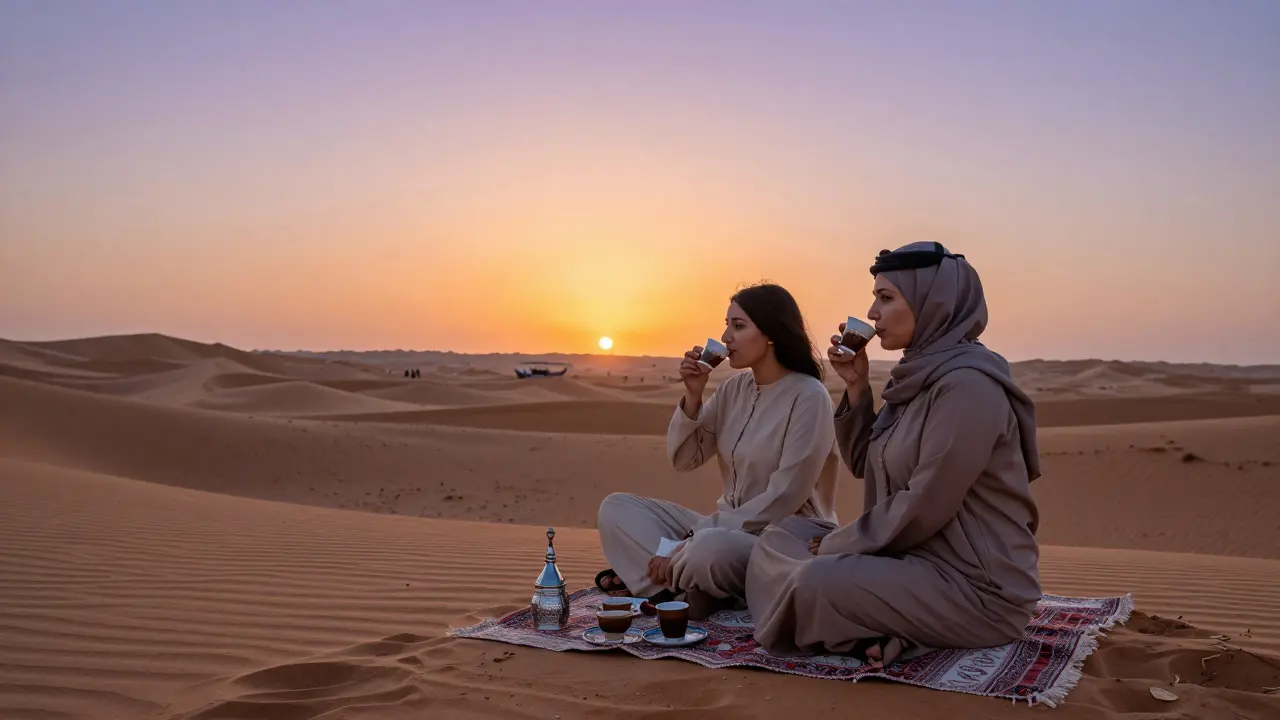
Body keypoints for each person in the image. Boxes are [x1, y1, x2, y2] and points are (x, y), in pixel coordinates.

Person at [745, 242, 1042, 666]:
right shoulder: (919, 376)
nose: (871, 314)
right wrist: (856, 388)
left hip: (976, 588)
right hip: (910, 562)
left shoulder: (967, 388)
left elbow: (926, 502)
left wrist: (836, 544)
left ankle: (846, 619)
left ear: (931, 304)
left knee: (816, 578)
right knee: (779, 537)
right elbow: (867, 463)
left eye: (886, 298)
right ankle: (869, 624)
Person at [595, 283, 840, 617]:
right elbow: (684, 459)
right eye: (726, 325)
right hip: (723, 527)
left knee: (709, 551)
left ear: (771, 334)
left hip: (785, 537)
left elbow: (786, 495)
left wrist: (697, 536)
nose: (726, 337)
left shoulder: (809, 396)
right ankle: (684, 590)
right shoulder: (733, 389)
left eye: (738, 326)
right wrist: (693, 396)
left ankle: (683, 586)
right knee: (616, 509)